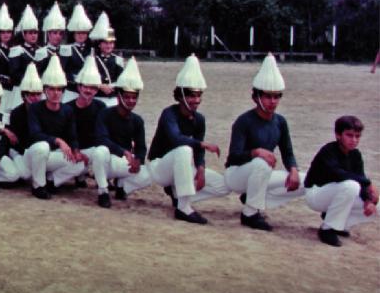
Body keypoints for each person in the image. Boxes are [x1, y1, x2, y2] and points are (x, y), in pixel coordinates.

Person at [225, 53, 304, 231]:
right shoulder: (243, 121)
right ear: (256, 97)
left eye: (276, 97)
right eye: (268, 97)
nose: (272, 102)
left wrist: (293, 170)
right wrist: (255, 152)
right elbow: (234, 157)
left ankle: (253, 198)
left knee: (305, 180)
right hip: (237, 174)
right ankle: (250, 214)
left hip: (260, 174)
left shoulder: (280, 122)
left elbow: (287, 152)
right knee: (261, 163)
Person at [147, 55, 226, 223]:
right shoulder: (169, 114)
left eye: (198, 95)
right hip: (160, 166)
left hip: (180, 167)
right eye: (191, 95)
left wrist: (201, 169)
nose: (196, 100)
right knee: (184, 149)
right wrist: (202, 144)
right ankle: (184, 208)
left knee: (223, 186)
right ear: (181, 95)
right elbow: (176, 139)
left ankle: (179, 195)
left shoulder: (199, 119)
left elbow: (198, 151)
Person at [304, 115, 377, 246]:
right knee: (351, 186)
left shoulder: (356, 154)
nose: (354, 140)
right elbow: (339, 174)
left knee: (376, 205)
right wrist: (368, 183)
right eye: (349, 135)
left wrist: (368, 200)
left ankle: (338, 223)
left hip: (336, 193)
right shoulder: (328, 150)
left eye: (358, 136)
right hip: (316, 194)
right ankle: (326, 230)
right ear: (338, 135)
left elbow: (360, 177)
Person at [26, 56, 87, 199]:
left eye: (59, 90)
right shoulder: (35, 108)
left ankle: (52, 181)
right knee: (42, 146)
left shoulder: (67, 110)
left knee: (81, 165)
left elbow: (72, 136)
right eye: (52, 89)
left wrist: (76, 151)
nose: (56, 93)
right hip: (34, 154)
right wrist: (57, 140)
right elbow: (35, 134)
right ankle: (38, 186)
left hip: (53, 156)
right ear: (45, 90)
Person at [95, 57, 151, 200]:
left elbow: (141, 147)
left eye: (134, 97)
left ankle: (122, 186)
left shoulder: (137, 120)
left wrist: (138, 160)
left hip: (124, 161)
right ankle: (103, 191)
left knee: (150, 174)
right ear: (119, 97)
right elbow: (102, 139)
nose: (131, 101)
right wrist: (123, 151)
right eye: (127, 97)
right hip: (108, 160)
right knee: (100, 151)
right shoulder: (105, 114)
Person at [70, 54, 115, 208]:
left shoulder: (101, 107)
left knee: (101, 151)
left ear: (97, 90)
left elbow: (103, 133)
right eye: (85, 87)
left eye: (93, 88)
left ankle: (103, 190)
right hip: (73, 150)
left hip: (92, 149)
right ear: (79, 87)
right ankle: (54, 181)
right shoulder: (68, 107)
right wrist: (75, 149)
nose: (88, 90)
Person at [6, 63, 44, 187]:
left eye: (38, 94)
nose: (35, 98)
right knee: (25, 174)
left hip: (36, 149)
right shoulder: (17, 113)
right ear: (24, 96)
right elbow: (18, 141)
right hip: (20, 150)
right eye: (32, 95)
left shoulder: (44, 111)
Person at [89, 12, 123, 107]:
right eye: (105, 43)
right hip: (96, 97)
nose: (109, 45)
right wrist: (100, 86)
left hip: (112, 97)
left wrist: (111, 87)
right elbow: (89, 77)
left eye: (111, 43)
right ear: (99, 44)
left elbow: (121, 79)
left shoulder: (118, 59)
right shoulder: (92, 59)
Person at [60, 3, 93, 102]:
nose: (81, 35)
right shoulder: (66, 49)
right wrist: (74, 81)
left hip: (88, 89)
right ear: (73, 34)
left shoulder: (91, 50)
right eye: (78, 33)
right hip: (71, 89)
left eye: (83, 33)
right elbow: (63, 70)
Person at [8, 7, 41, 107]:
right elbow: (14, 73)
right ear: (24, 34)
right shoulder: (17, 50)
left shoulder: (41, 50)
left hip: (38, 91)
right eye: (30, 33)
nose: (33, 36)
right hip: (21, 90)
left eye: (35, 33)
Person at [35, 2, 66, 76]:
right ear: (48, 34)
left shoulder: (65, 52)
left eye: (60, 33)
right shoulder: (41, 52)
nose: (58, 36)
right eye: (55, 33)